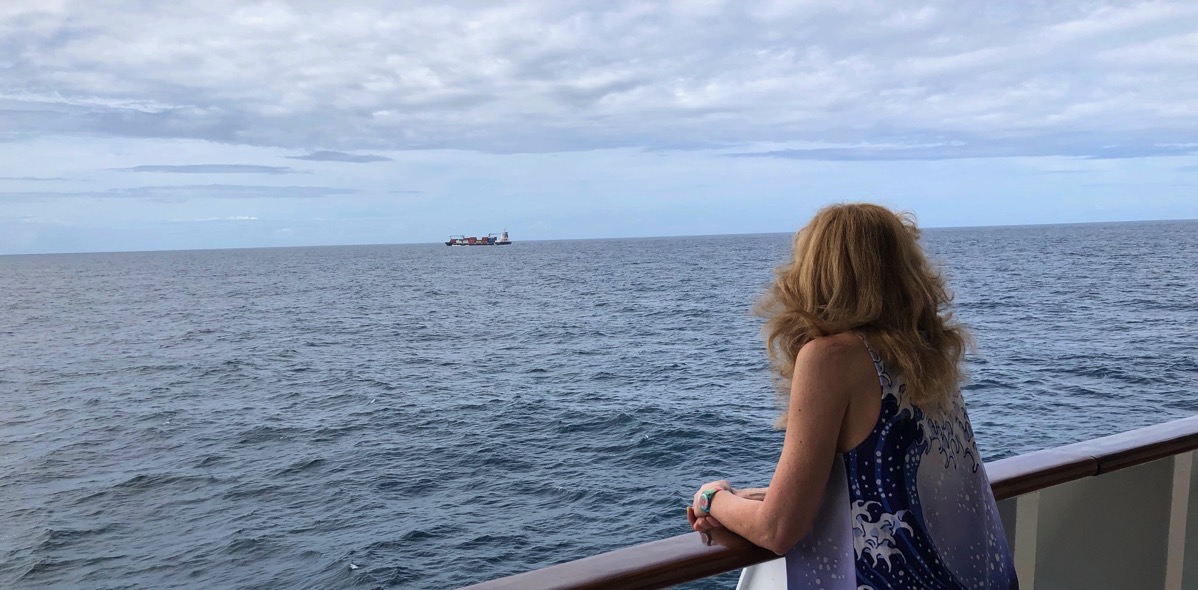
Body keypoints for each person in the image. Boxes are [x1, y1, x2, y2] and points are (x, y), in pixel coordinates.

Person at [689, 203, 1018, 589]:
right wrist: (764, 496)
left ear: (816, 272)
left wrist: (714, 498)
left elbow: (778, 530)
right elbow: (886, 483)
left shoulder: (832, 358)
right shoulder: (926, 353)